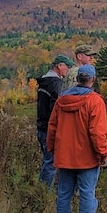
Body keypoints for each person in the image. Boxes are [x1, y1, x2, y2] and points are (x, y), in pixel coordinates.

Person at [47, 65, 107, 213]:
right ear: (93, 79)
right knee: (87, 194)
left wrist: (52, 149)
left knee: (64, 195)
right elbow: (97, 132)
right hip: (87, 157)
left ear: (77, 79)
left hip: (64, 156)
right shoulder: (95, 101)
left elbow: (52, 127)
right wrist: (103, 153)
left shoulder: (61, 100)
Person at [36, 54, 75, 188]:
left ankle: (41, 190)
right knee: (51, 163)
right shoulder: (56, 83)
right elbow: (57, 108)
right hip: (49, 129)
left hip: (41, 126)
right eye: (67, 66)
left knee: (47, 162)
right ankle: (43, 194)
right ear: (59, 66)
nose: (68, 70)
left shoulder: (44, 82)